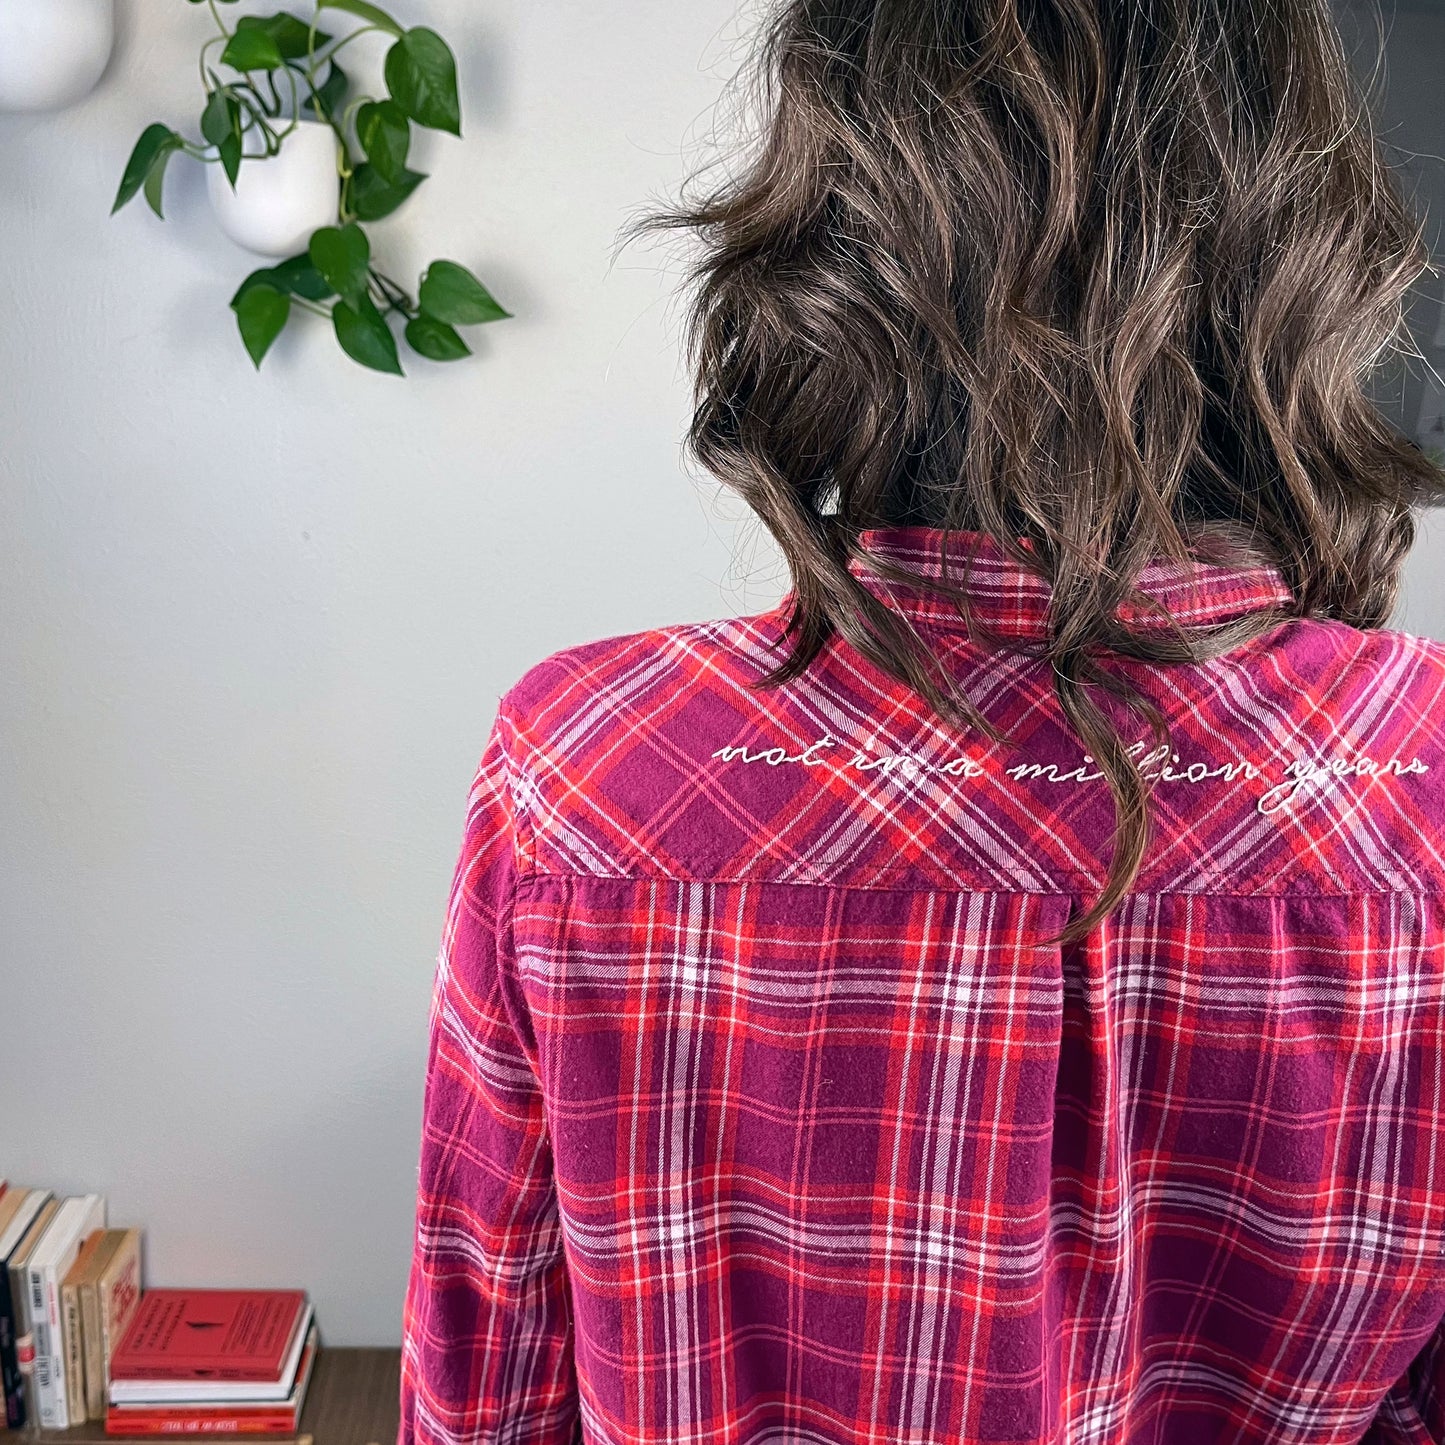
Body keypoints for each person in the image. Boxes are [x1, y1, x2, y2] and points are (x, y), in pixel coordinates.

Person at [396, 1, 1445, 1441]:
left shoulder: (585, 769)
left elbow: (480, 1396)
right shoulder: (1423, 788)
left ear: (829, 241)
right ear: (1300, 250)